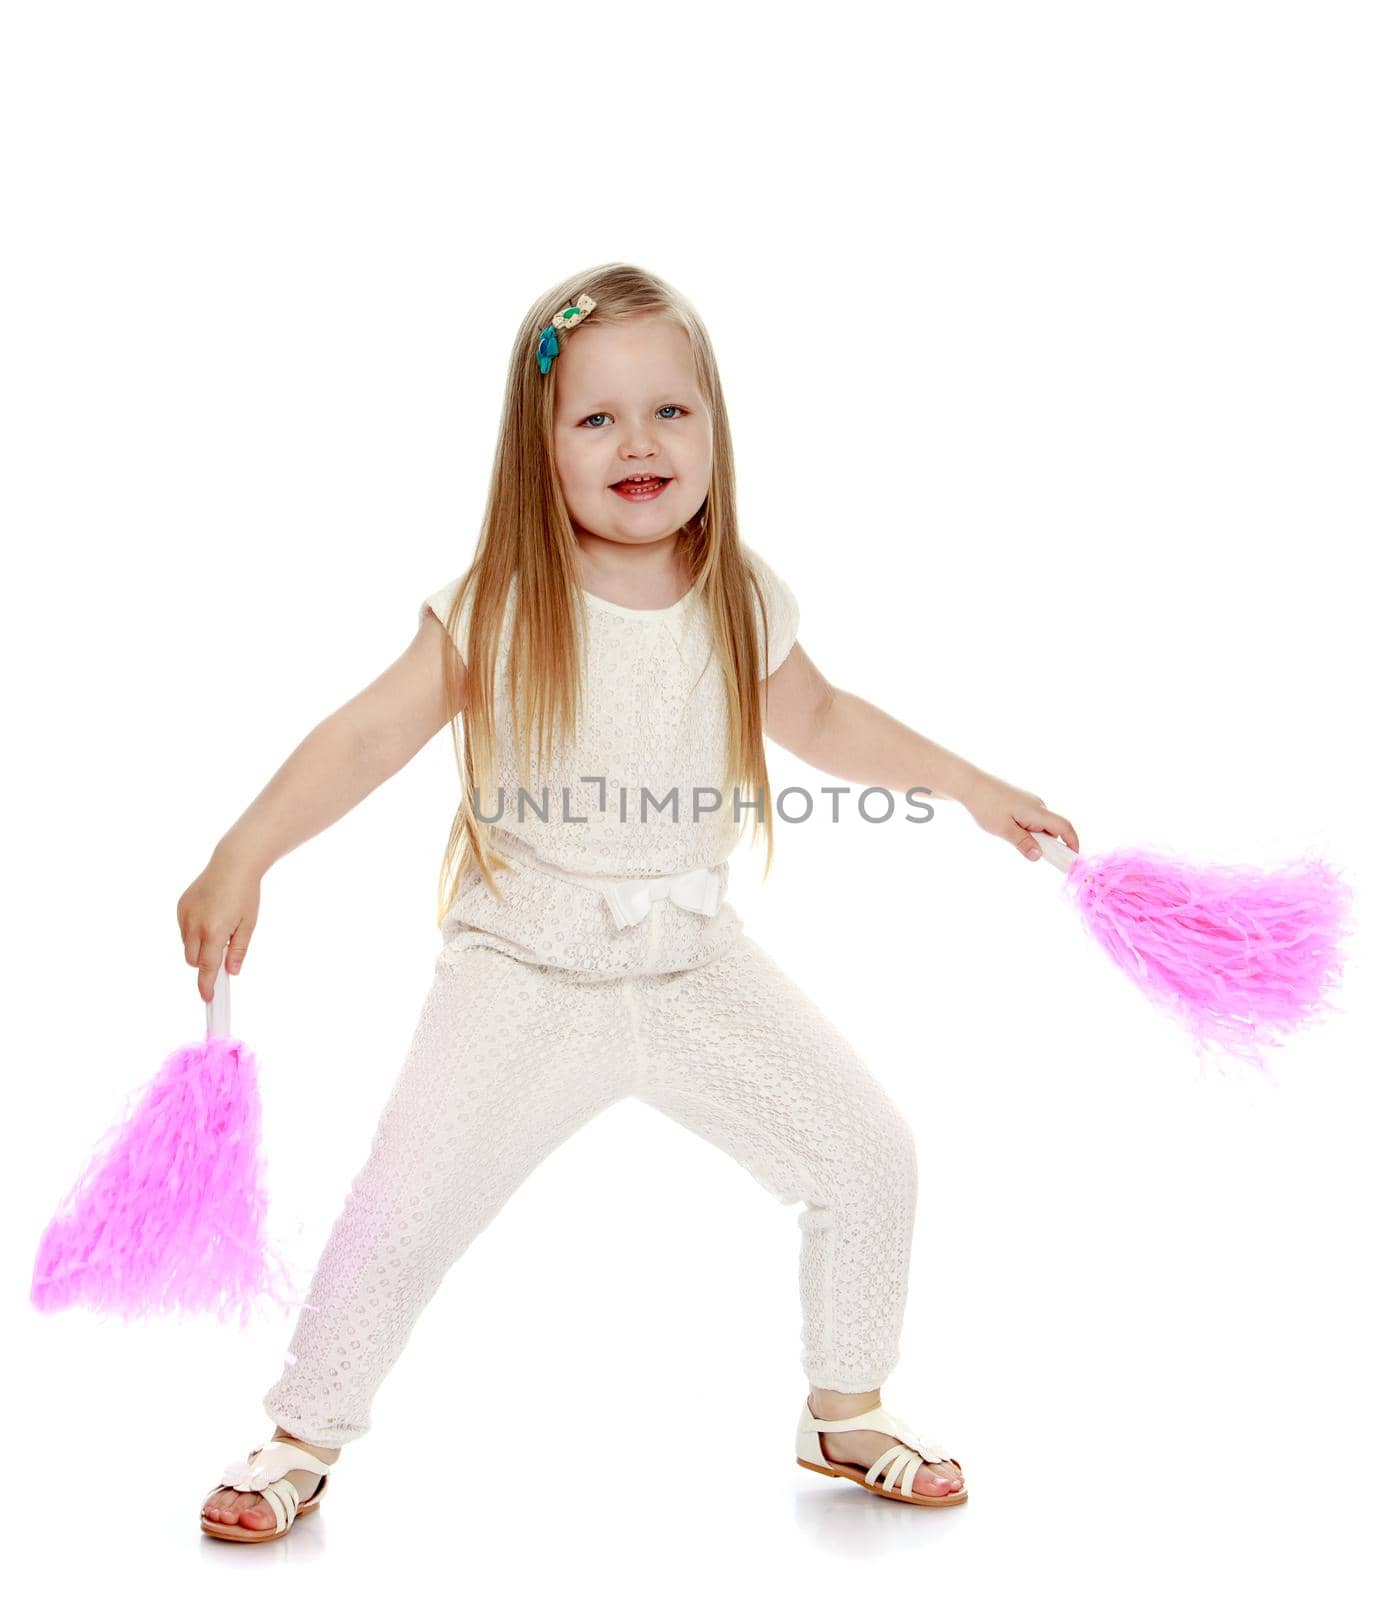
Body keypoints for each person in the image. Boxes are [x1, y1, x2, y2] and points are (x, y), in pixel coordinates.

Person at [183, 262, 1079, 1541]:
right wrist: (244, 852)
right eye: (596, 418)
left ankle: (846, 1406)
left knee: (868, 1153)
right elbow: (370, 734)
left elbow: (821, 717)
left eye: (671, 410)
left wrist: (970, 785)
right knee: (405, 1204)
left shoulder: (737, 594)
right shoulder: (499, 604)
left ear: (715, 429)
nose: (639, 441)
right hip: (525, 973)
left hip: (691, 963)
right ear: (538, 446)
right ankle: (303, 1432)